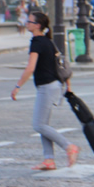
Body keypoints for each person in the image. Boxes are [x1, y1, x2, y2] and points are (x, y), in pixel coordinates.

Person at [12, 11, 78, 170]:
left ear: (37, 25)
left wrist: (17, 86)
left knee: (39, 125)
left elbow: (30, 68)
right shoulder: (48, 42)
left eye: (30, 21)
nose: (27, 23)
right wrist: (68, 84)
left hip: (47, 87)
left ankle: (69, 146)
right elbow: (61, 64)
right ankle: (49, 160)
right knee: (43, 124)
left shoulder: (37, 42)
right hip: (53, 86)